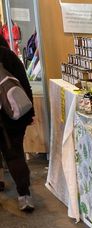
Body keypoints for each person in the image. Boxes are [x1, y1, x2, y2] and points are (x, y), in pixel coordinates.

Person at [0, 35, 34, 211]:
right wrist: (29, 115)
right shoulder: (9, 57)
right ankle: (24, 195)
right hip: (14, 118)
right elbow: (25, 85)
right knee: (15, 154)